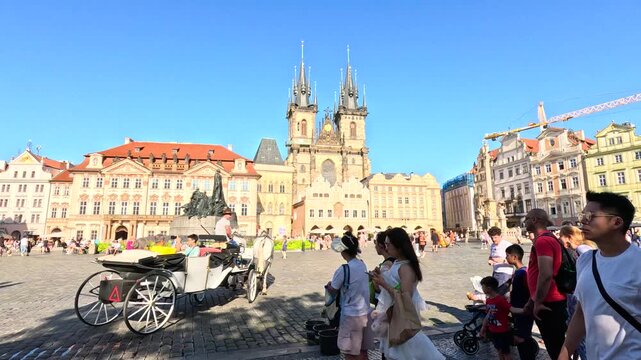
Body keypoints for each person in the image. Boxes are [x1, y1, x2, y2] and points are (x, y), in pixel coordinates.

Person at [560, 192, 641, 360]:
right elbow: (582, 312)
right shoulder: (585, 260)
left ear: (616, 222)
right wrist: (565, 352)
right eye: (583, 215)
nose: (582, 220)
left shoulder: (637, 262)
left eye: (591, 216)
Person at [371, 227, 444, 360]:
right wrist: (380, 277)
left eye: (388, 245)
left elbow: (405, 297)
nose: (386, 248)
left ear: (399, 246)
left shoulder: (405, 267)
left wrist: (383, 283)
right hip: (396, 313)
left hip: (403, 315)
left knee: (408, 349)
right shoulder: (398, 263)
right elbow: (395, 284)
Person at [523, 208, 566, 360]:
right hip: (548, 300)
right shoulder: (547, 239)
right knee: (556, 346)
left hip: (549, 302)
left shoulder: (543, 240)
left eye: (527, 218)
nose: (525, 222)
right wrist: (531, 300)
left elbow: (546, 274)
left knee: (556, 348)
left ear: (535, 220)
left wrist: (538, 302)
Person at [325, 232, 371, 360]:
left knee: (350, 353)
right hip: (365, 313)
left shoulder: (344, 269)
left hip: (351, 315)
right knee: (362, 351)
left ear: (343, 251)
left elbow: (333, 290)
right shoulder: (362, 264)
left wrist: (328, 286)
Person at [557, 225, 593, 360]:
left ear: (568, 237)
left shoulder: (581, 250)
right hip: (578, 296)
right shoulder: (582, 249)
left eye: (560, 236)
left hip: (578, 296)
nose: (559, 239)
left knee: (582, 336)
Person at [505, 244, 537, 360]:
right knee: (523, 336)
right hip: (521, 309)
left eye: (507, 255)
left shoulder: (521, 273)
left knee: (521, 338)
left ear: (514, 257)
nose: (506, 257)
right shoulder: (523, 271)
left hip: (522, 310)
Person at [480, 276, 513, 360]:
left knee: (506, 352)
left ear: (489, 288)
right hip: (493, 331)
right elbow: (488, 315)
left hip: (503, 331)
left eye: (483, 287)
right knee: (499, 350)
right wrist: (483, 328)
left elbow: (511, 309)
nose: (482, 289)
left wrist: (524, 310)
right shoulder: (488, 300)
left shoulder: (500, 300)